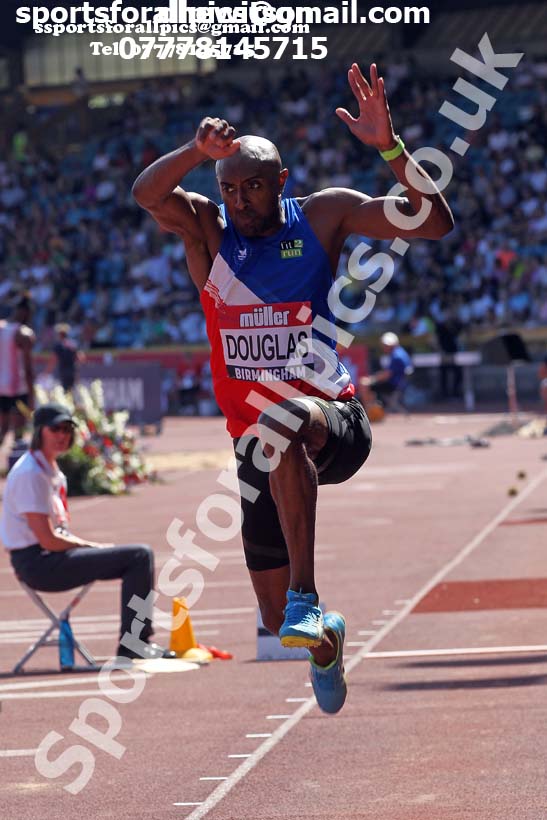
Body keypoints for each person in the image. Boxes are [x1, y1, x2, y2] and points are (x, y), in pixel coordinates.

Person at [132, 63, 453, 712]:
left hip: (330, 419)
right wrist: (197, 152)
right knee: (277, 620)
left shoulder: (323, 216)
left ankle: (307, 594)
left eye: (255, 185)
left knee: (279, 420)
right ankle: (322, 637)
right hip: (257, 452)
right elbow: (146, 194)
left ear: (280, 181)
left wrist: (389, 148)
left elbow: (432, 223)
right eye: (231, 188)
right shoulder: (208, 231)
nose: (242, 198)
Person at [0, 402, 176, 662]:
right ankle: (134, 644)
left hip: (46, 558)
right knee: (139, 556)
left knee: (138, 556)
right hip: (39, 564)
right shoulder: (31, 474)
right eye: (55, 429)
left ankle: (135, 642)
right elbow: (47, 539)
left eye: (67, 429)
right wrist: (90, 547)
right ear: (39, 432)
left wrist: (87, 547)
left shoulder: (48, 469)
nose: (63, 435)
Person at [0, 294, 35, 447]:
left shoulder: (1, 327)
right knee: (19, 435)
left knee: (2, 431)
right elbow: (27, 367)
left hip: (1, 386)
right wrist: (32, 393)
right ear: (26, 312)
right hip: (19, 388)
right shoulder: (25, 334)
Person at [360, 331, 413, 409]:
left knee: (364, 384)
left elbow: (387, 375)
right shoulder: (399, 352)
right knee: (367, 384)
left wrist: (371, 379)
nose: (384, 347)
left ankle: (370, 412)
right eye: (384, 345)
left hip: (393, 385)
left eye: (387, 345)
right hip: (396, 384)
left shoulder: (397, 356)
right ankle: (374, 410)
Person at [46, 323, 84, 392]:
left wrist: (47, 372)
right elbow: (80, 358)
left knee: (65, 392)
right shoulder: (73, 344)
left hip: (63, 372)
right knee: (72, 391)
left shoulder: (58, 346)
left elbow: (53, 360)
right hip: (72, 372)